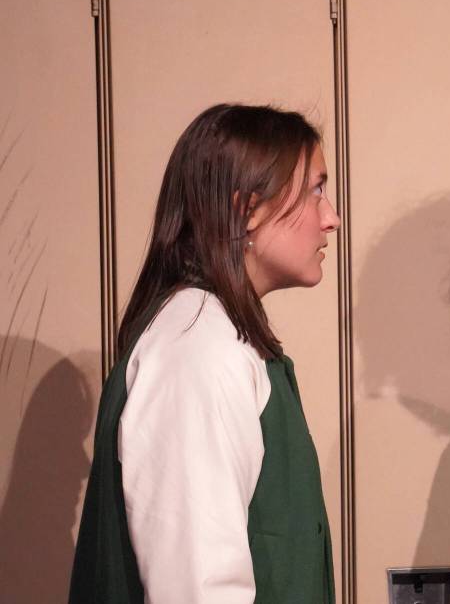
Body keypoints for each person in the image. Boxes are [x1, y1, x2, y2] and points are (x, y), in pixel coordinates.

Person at [69, 104, 341, 603]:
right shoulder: (198, 348)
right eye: (316, 191)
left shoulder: (217, 337)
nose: (332, 219)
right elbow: (197, 588)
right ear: (247, 209)